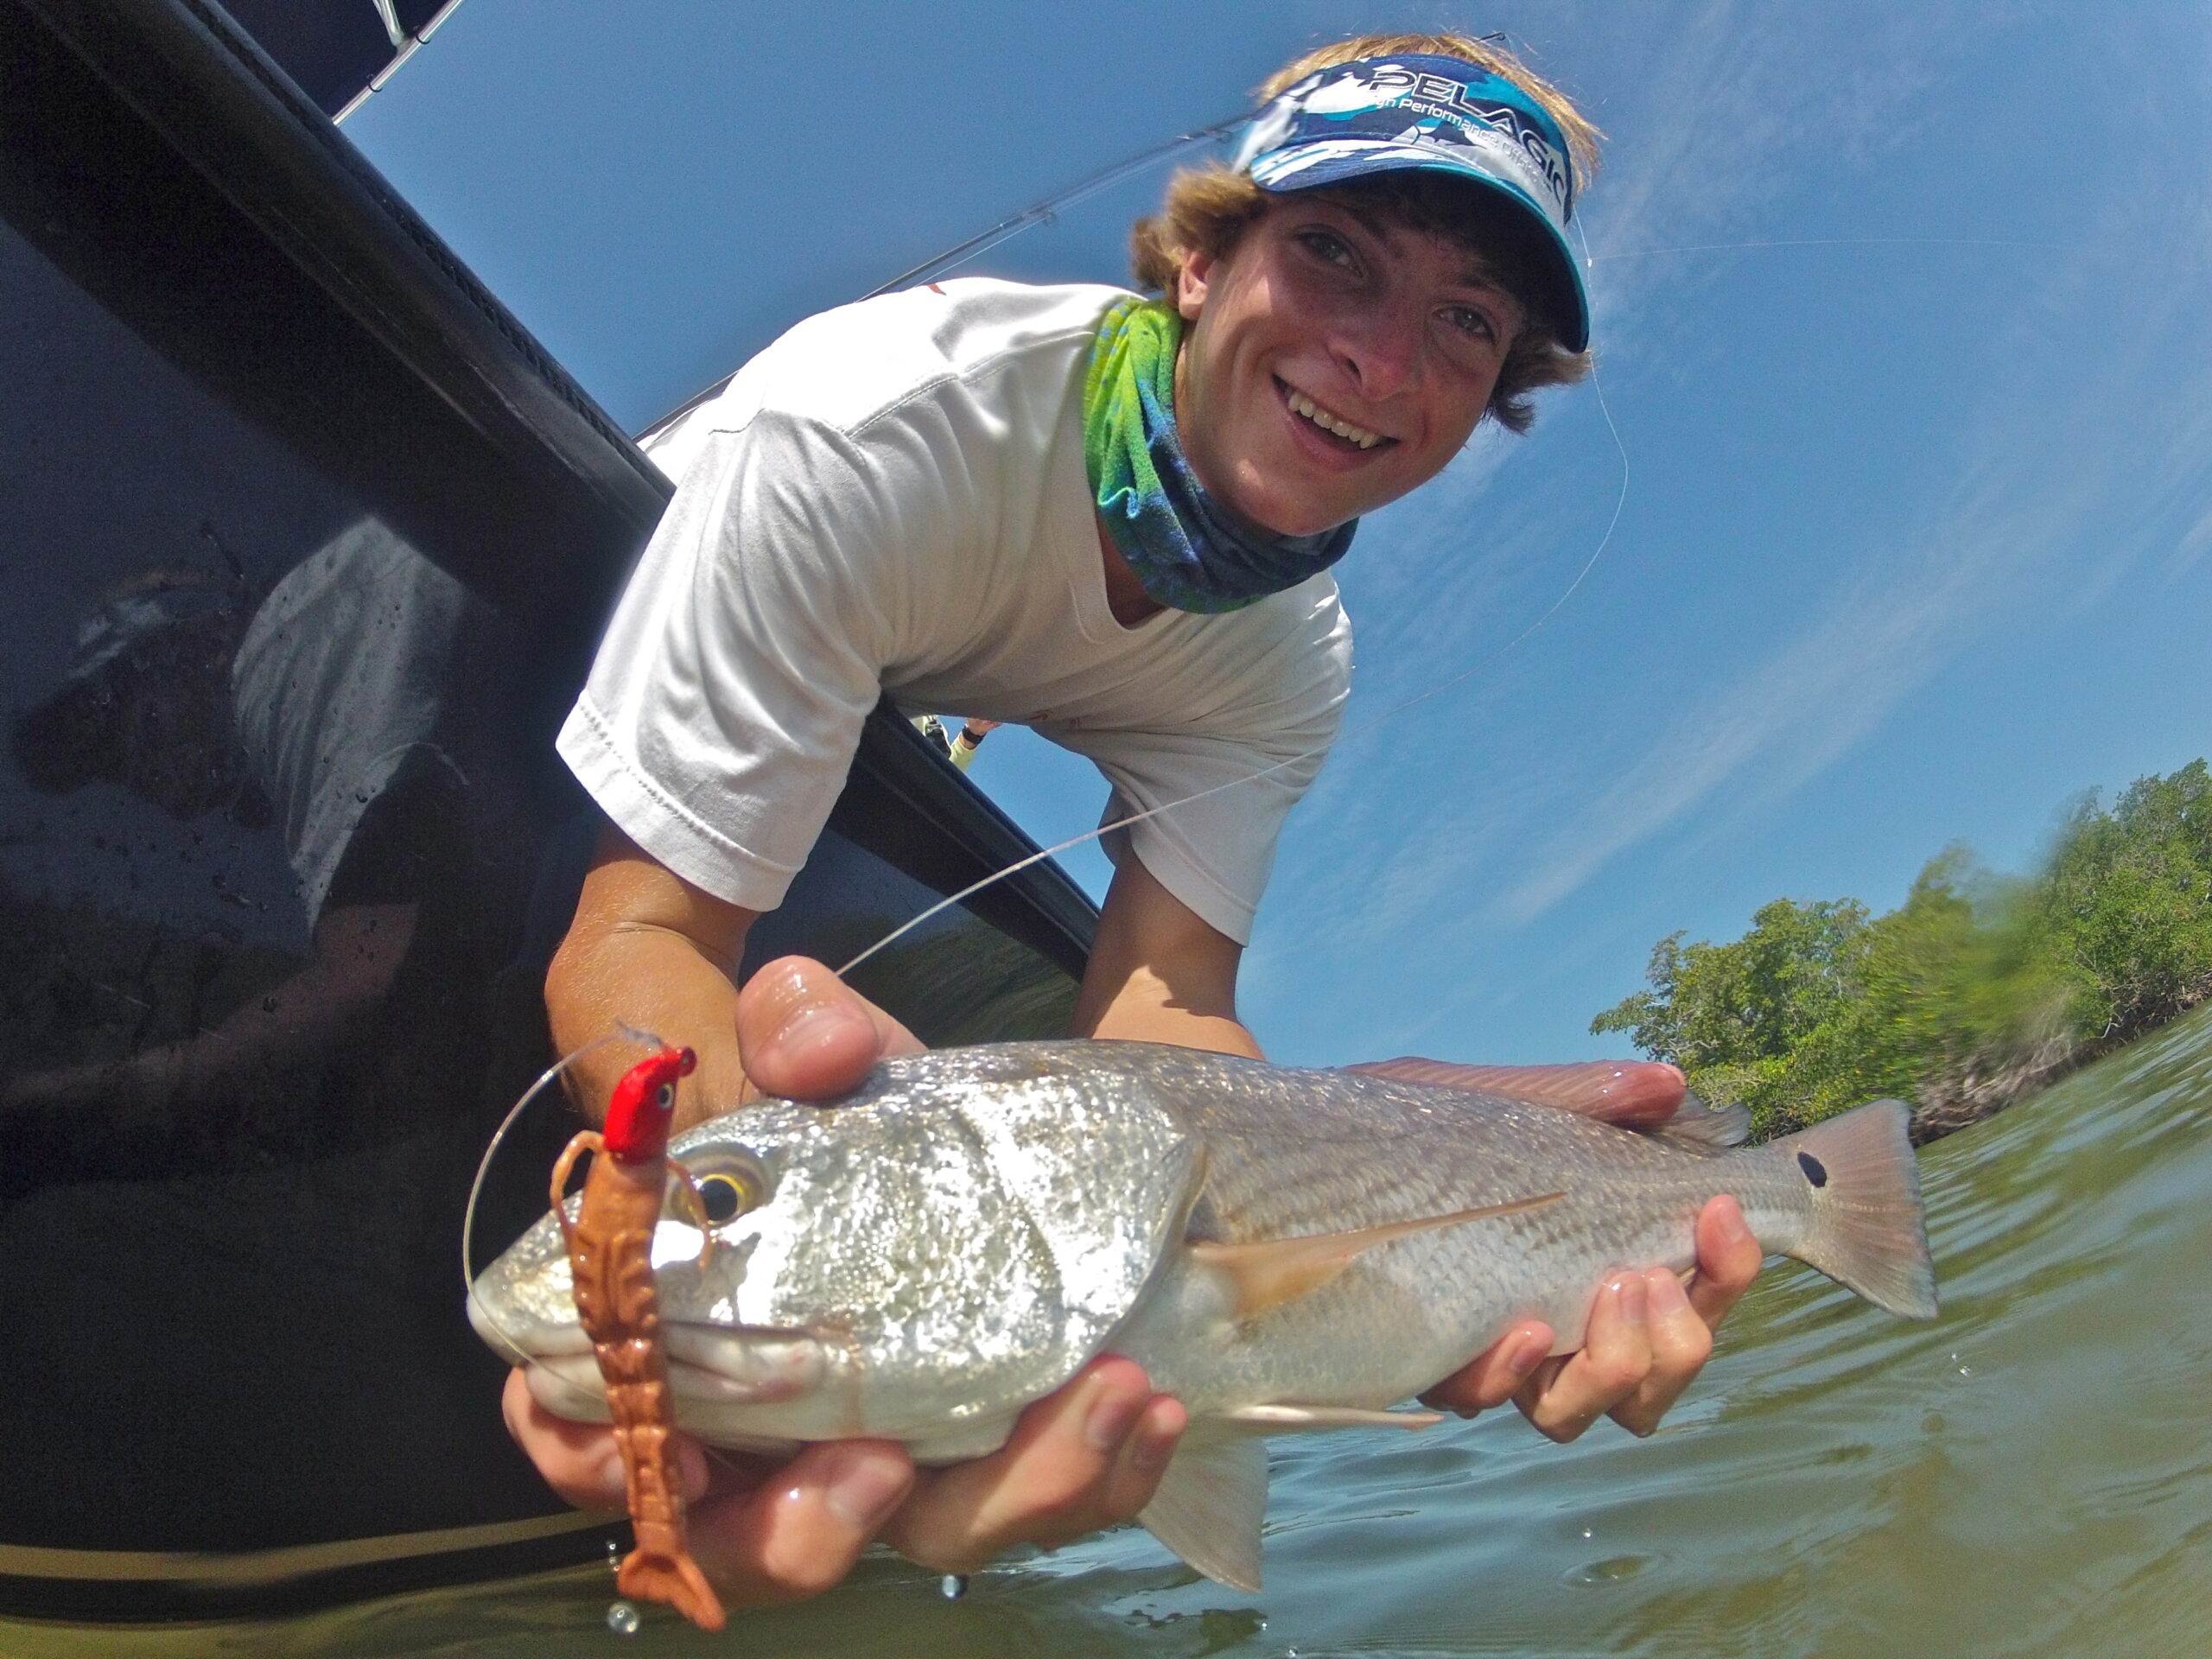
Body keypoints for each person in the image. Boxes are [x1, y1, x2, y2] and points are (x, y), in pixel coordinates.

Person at [510, 32, 1764, 1605]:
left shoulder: (1294, 659)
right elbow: (646, 930)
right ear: (1195, 259)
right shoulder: (871, 420)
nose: (1380, 360)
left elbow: (1165, 1011)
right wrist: (740, 1277)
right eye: (1332, 253)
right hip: (558, 648)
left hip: (868, 773)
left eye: (1465, 321)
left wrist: (1405, 1217)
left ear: (1493, 399)